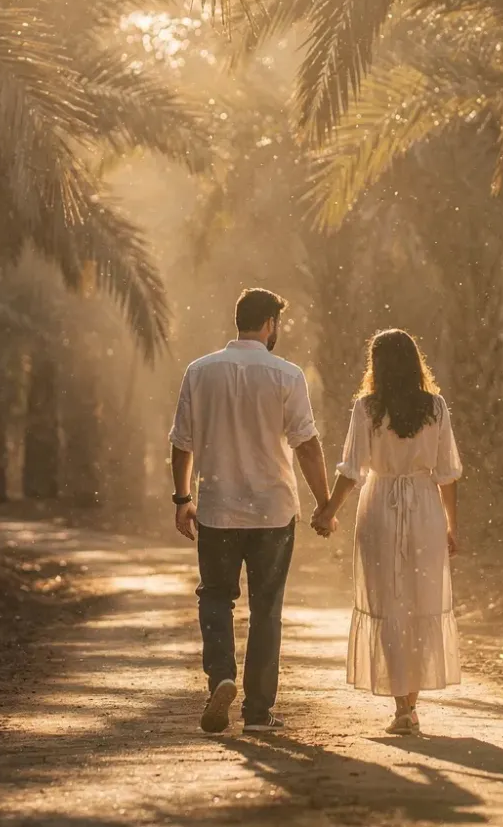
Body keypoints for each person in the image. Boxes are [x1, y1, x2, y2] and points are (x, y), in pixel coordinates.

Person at [168, 288, 332, 734]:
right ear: (269, 325)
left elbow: (181, 444)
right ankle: (258, 713)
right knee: (266, 609)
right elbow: (308, 445)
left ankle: (221, 675)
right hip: (273, 513)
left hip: (218, 509)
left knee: (217, 596)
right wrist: (324, 503)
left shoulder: (199, 372)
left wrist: (183, 501)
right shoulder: (287, 375)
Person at [311, 329, 463, 736]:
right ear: (416, 362)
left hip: (378, 507)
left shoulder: (367, 409)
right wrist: (451, 525)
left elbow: (351, 470)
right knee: (421, 600)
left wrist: (328, 512)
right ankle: (411, 703)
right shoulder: (436, 407)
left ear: (376, 365)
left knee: (388, 602)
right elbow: (447, 473)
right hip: (425, 506)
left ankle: (402, 706)